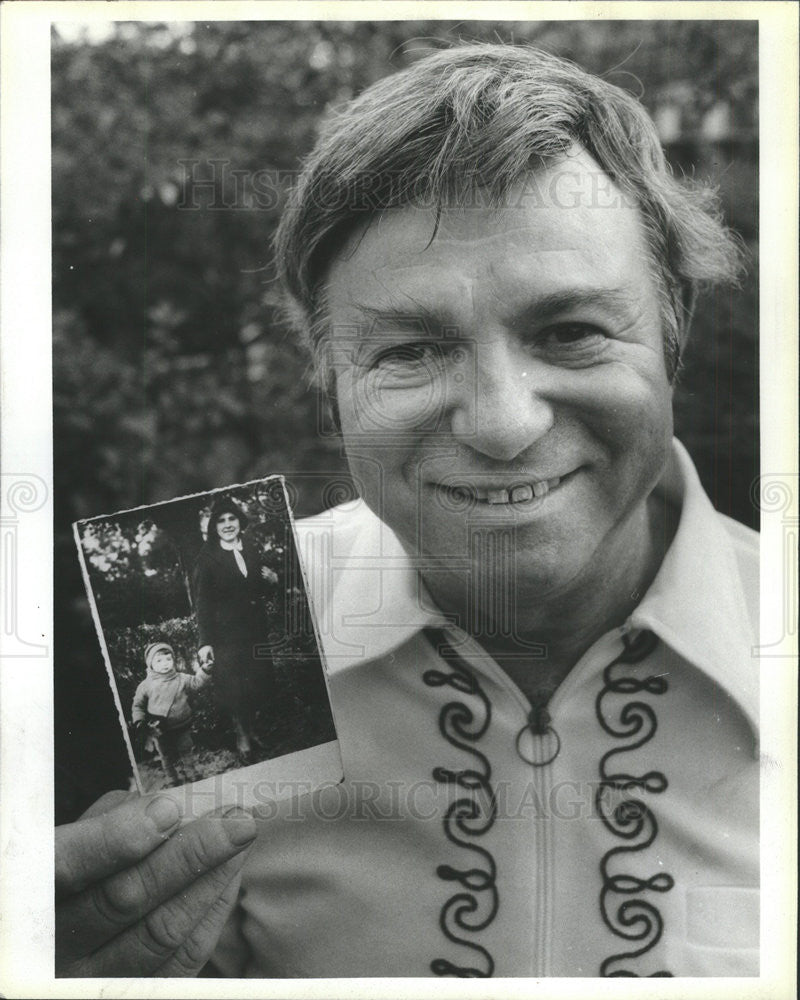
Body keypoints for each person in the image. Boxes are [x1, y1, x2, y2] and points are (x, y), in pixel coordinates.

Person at [55, 43, 758, 978]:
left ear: (673, 338)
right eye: (411, 351)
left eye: (572, 331)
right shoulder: (222, 637)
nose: (504, 424)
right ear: (329, 390)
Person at [192, 496, 277, 761]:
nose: (227, 524)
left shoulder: (250, 548)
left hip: (254, 630)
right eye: (221, 520)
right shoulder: (207, 558)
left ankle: (252, 732)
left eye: (232, 519)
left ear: (240, 522)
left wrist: (273, 580)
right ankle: (241, 737)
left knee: (257, 683)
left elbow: (256, 588)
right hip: (225, 635)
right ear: (214, 526)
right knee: (235, 687)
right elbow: (203, 603)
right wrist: (205, 642)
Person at [131, 641, 212, 786]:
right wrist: (139, 721)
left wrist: (205, 671)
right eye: (159, 660)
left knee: (186, 751)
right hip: (159, 730)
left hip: (182, 726)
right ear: (150, 664)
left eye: (168, 659)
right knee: (165, 755)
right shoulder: (145, 686)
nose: (165, 663)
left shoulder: (181, 678)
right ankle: (171, 778)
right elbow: (138, 706)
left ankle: (192, 774)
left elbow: (196, 683)